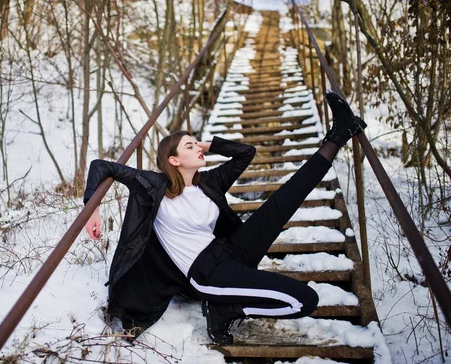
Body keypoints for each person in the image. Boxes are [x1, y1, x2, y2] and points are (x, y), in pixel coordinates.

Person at [83, 91, 367, 344]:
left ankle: (339, 134)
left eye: (196, 144)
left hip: (229, 250)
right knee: (305, 300)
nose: (197, 148)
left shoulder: (208, 182)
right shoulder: (154, 185)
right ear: (173, 160)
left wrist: (206, 145)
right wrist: (91, 209)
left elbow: (246, 153)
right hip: (206, 272)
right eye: (189, 146)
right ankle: (226, 309)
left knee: (285, 199)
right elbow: (101, 166)